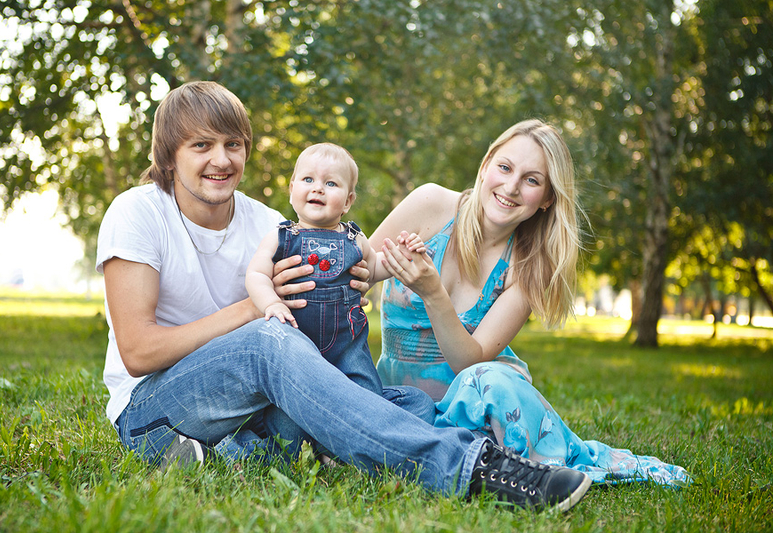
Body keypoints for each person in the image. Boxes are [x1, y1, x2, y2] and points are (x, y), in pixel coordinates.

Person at [96, 81, 592, 512]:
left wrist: (349, 291)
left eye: (233, 144)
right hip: (153, 409)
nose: (221, 160)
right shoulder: (139, 212)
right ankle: (472, 470)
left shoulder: (270, 223)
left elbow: (345, 283)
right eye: (201, 145)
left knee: (407, 403)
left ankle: (242, 452)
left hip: (250, 408)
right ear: (169, 156)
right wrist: (254, 308)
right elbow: (138, 352)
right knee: (269, 340)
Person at [371, 119, 691, 486]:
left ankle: (502, 458)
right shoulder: (431, 204)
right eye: (505, 168)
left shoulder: (529, 267)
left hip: (478, 409)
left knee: (487, 378)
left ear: (548, 198)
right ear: (486, 165)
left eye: (532, 180)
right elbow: (355, 266)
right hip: (402, 404)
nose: (511, 187)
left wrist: (432, 293)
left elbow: (468, 363)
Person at [246, 142, 424, 395]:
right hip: (296, 340)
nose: (318, 188)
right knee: (292, 396)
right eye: (308, 179)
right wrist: (272, 303)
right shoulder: (280, 237)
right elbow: (256, 274)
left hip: (347, 345)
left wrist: (402, 255)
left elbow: (375, 268)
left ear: (348, 201)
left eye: (331, 183)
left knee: (367, 392)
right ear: (292, 190)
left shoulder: (355, 238)